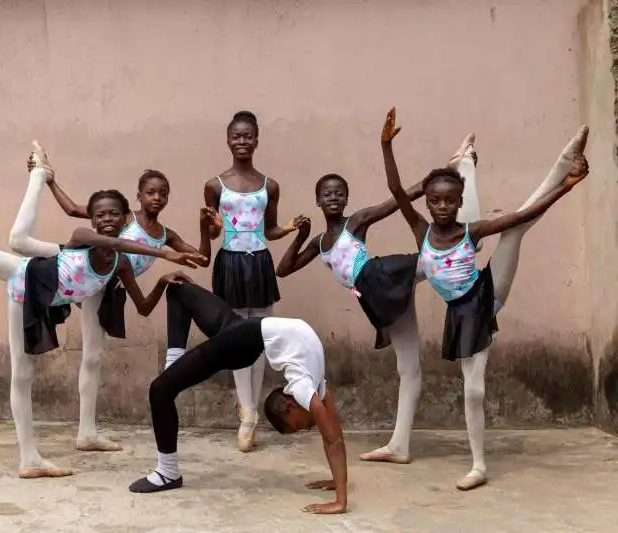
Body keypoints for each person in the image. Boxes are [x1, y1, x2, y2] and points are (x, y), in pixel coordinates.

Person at [0, 145, 203, 479]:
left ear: (124, 215)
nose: (107, 220)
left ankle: (79, 437)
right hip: (26, 277)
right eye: (100, 214)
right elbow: (108, 240)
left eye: (114, 214)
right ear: (96, 218)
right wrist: (163, 255)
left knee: (79, 359)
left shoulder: (123, 265)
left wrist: (165, 279)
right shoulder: (84, 235)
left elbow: (143, 307)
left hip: (60, 294)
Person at [382, 107, 590, 490]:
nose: (442, 207)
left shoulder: (471, 228)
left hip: (487, 293)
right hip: (460, 316)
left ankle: (562, 163)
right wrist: (386, 146)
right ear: (427, 203)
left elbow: (525, 214)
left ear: (457, 204)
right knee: (473, 389)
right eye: (436, 201)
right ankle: (466, 162)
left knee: (516, 229)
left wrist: (567, 187)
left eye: (449, 201)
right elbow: (396, 192)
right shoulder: (420, 231)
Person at [277, 126, 485, 466]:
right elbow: (283, 270)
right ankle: (399, 445)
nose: (333, 198)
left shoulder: (355, 221)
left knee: (445, 252)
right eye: (327, 194)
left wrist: (440, 177)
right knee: (408, 367)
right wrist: (299, 236)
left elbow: (399, 199)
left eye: (339, 193)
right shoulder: (318, 242)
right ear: (317, 201)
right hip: (376, 297)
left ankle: (465, 170)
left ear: (346, 200)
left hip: (383, 275)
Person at [10, 147, 215, 452]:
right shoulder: (124, 217)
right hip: (81, 262)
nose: (156, 198)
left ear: (168, 198)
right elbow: (75, 211)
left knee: (92, 357)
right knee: (22, 246)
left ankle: (87, 433)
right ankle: (40, 173)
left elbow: (201, 259)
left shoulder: (166, 235)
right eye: (150, 192)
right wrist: (51, 181)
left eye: (162, 193)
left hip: (105, 287)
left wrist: (205, 230)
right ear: (139, 197)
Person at [127, 280, 348, 515]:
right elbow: (333, 439)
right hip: (239, 340)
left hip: (243, 339)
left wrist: (339, 484)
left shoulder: (312, 382)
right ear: (289, 407)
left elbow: (334, 434)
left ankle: (167, 469)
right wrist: (340, 501)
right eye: (298, 427)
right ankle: (169, 472)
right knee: (177, 288)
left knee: (161, 389)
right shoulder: (305, 386)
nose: (307, 428)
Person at [201, 110, 306, 453]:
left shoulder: (269, 185)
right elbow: (216, 231)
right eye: (236, 136)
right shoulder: (215, 185)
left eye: (248, 136)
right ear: (228, 140)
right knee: (234, 338)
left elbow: (269, 230)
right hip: (230, 261)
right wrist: (210, 225)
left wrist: (290, 227)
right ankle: (246, 412)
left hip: (259, 261)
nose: (242, 141)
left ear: (257, 140)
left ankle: (252, 412)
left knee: (261, 336)